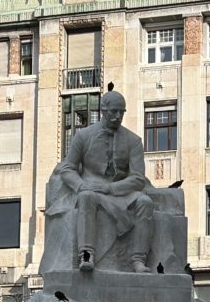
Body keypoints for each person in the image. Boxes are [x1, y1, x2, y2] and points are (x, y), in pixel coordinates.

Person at [44, 89, 154, 274]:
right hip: (91, 190)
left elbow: (137, 178)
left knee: (145, 202)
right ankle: (86, 255)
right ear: (103, 110)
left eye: (122, 112)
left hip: (120, 193)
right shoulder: (83, 136)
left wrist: (110, 188)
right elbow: (68, 168)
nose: (118, 116)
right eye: (114, 111)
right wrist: (80, 185)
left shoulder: (133, 141)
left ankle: (138, 260)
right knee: (86, 197)